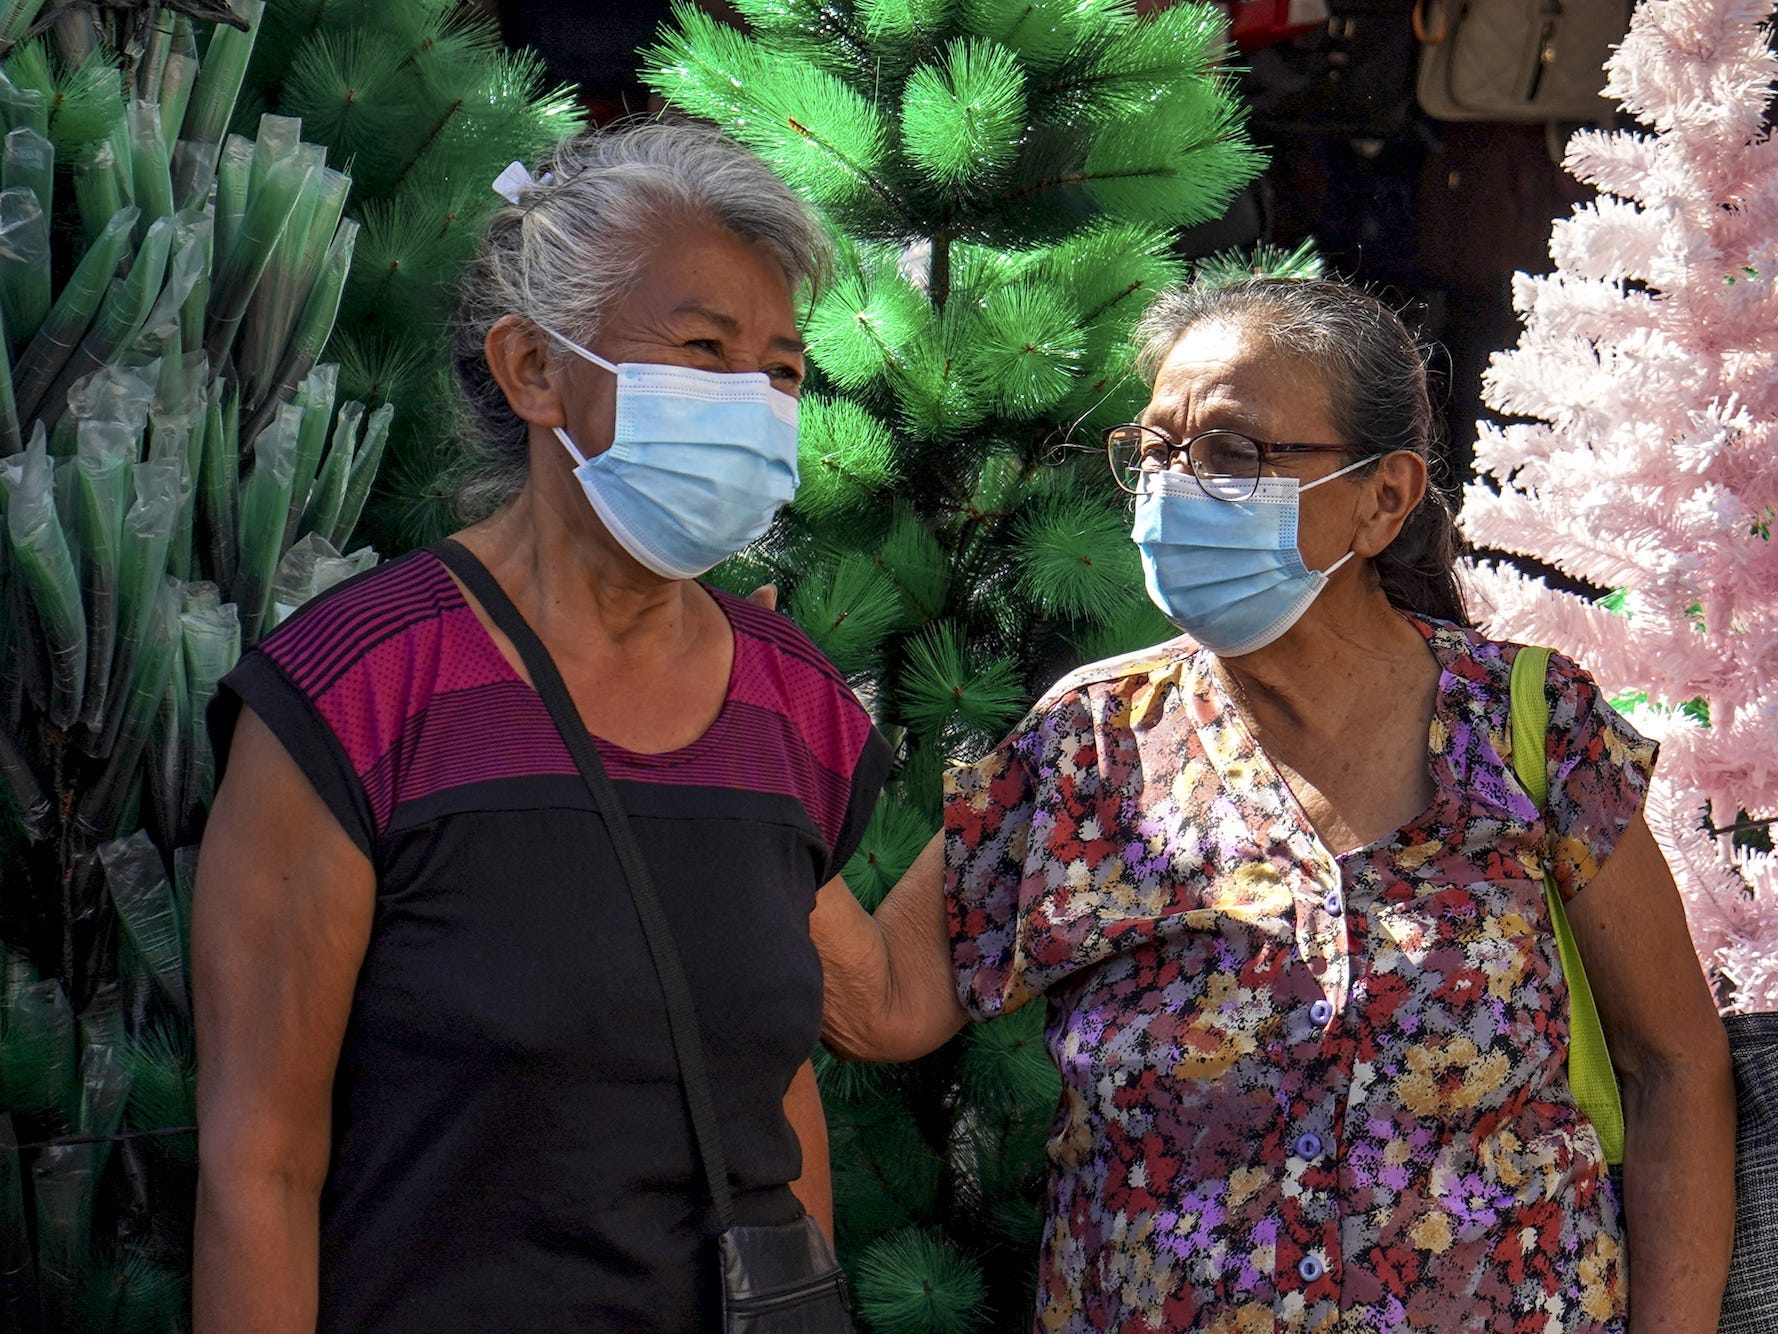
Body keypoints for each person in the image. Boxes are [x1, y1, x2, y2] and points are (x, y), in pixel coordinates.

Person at [810, 278, 1735, 1330]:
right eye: (1154, 453)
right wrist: (742, 750)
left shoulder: (1527, 724)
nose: (1171, 490)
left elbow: (1672, 1060)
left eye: (1229, 453)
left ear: (1382, 497)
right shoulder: (1094, 741)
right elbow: (880, 1004)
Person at [192, 123, 890, 1332]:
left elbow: (776, 1096)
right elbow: (260, 1165)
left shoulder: (792, 700)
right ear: (531, 369)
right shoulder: (363, 690)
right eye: (702, 349)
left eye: (779, 369)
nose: (751, 402)